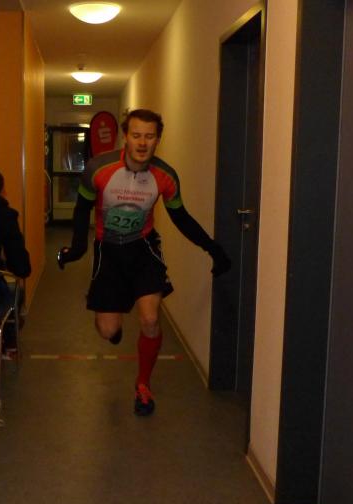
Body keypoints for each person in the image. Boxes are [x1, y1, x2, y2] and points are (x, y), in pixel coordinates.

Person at [56, 109, 231, 416]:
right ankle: (114, 326)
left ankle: (143, 385)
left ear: (157, 140)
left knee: (150, 320)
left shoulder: (165, 176)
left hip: (143, 249)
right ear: (126, 136)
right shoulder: (98, 169)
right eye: (136, 135)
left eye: (149, 136)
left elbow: (181, 218)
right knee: (108, 330)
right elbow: (82, 209)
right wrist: (78, 249)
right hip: (109, 251)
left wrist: (213, 249)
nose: (142, 142)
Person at [0, 171, 31, 351]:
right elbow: (21, 266)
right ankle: (8, 345)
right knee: (17, 292)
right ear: (1, 190)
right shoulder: (5, 215)